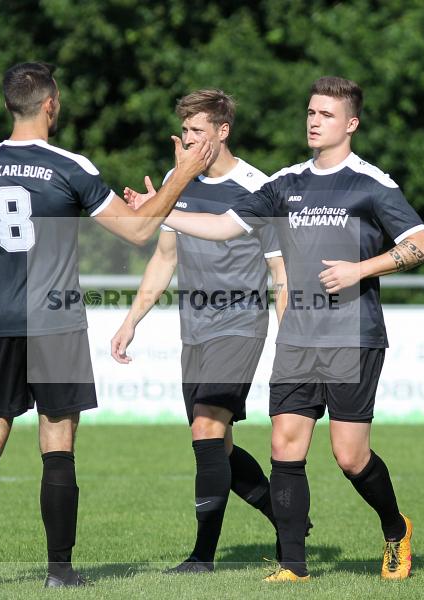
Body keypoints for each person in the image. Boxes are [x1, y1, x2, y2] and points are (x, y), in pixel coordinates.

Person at [0, 61, 214, 590]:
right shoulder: (69, 167)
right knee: (57, 443)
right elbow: (138, 230)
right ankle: (60, 571)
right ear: (50, 104)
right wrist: (183, 175)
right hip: (55, 321)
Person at [153, 76, 424, 581]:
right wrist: (164, 210)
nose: (313, 121)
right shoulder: (285, 184)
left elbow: (421, 244)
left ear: (350, 124)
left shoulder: (372, 183)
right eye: (310, 112)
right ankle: (293, 566)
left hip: (354, 336)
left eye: (325, 114)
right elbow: (221, 227)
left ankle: (395, 530)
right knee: (284, 444)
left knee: (350, 457)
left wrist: (360, 269)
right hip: (298, 338)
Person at [110, 90, 289, 573]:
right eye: (184, 130)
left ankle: (201, 558)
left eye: (197, 130)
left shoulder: (259, 188)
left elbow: (280, 273)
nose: (188, 139)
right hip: (195, 329)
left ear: (222, 131)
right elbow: (164, 256)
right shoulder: (175, 179)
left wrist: (288, 335)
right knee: (219, 446)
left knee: (206, 428)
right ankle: (288, 519)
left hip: (240, 325)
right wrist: (131, 320)